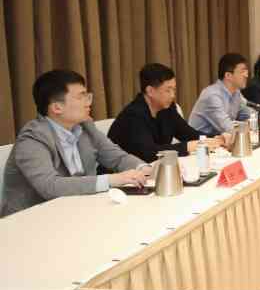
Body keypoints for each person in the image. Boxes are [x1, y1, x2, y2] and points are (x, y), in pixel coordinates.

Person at [1, 70, 151, 217]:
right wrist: (113, 179)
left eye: (87, 96)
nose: (88, 103)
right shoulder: (32, 138)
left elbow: (117, 157)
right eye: (81, 97)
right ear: (57, 107)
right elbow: (50, 186)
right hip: (30, 219)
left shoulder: (85, 126)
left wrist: (145, 169)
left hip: (77, 210)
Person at [108, 64, 224, 163]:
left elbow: (188, 134)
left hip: (152, 170)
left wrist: (218, 138)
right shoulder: (133, 115)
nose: (173, 95)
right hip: (124, 174)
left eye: (174, 89)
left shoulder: (167, 108)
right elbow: (149, 153)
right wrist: (187, 146)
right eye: (168, 90)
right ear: (150, 91)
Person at [188, 53, 255, 138]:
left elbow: (251, 114)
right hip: (199, 143)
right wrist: (252, 124)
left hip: (218, 140)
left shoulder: (236, 93)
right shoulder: (212, 95)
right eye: (242, 72)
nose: (246, 75)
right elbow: (228, 128)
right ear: (228, 75)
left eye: (246, 71)